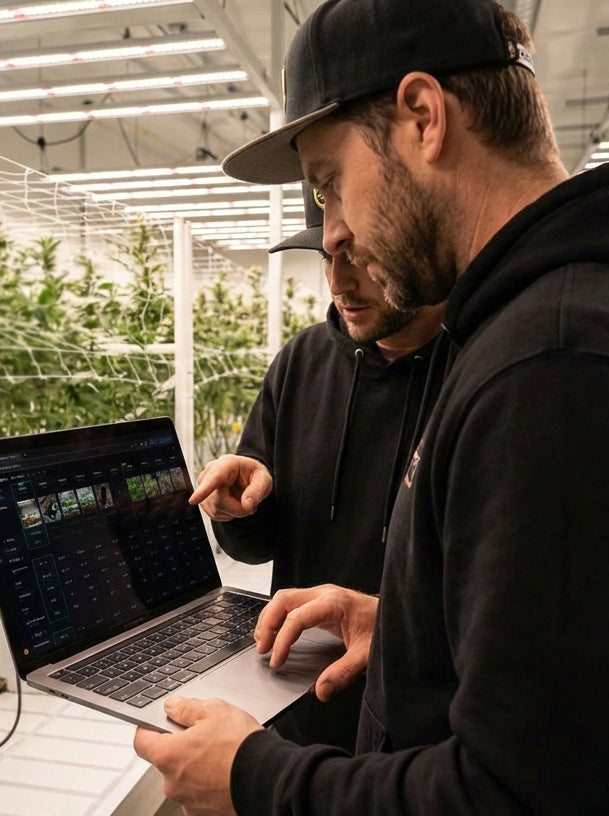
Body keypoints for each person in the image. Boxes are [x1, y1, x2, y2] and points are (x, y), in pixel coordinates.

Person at [134, 0, 609, 813]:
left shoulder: (560, 367)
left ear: (424, 116)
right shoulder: (575, 323)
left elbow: (531, 797)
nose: (335, 235)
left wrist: (257, 777)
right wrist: (405, 633)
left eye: (330, 183)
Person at [190, 182, 446, 751]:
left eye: (361, 256)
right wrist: (234, 509)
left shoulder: (476, 373)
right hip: (295, 704)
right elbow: (258, 545)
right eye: (327, 256)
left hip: (417, 725)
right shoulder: (301, 362)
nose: (338, 281)